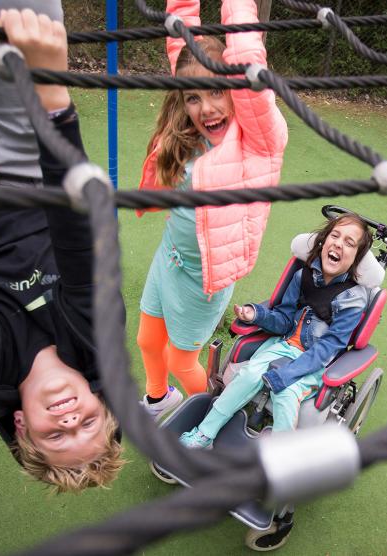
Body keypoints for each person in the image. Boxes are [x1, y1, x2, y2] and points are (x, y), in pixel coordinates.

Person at [0, 2, 125, 493]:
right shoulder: (97, 342)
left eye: (56, 433)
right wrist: (52, 92)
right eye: (88, 423)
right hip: (31, 166)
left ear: (21, 426)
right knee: (32, 15)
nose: (70, 417)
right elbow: (80, 239)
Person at [136, 0, 288, 421]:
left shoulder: (258, 139)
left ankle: (219, 418)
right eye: (194, 97)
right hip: (171, 256)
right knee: (149, 340)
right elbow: (179, 38)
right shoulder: (188, 128)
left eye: (218, 91)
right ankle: (157, 398)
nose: (206, 107)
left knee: (181, 360)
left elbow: (247, 56)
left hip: (205, 277)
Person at [179, 213, 373, 448]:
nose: (338, 244)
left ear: (356, 258)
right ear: (323, 241)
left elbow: (330, 347)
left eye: (349, 243)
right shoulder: (303, 276)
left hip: (317, 361)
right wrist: (256, 315)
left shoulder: (353, 300)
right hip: (283, 344)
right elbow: (283, 319)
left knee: (285, 394)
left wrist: (287, 374)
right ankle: (205, 432)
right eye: (335, 235)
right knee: (249, 374)